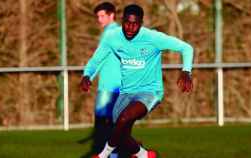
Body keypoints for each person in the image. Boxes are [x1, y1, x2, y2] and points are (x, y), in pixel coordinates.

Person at [81, 4, 194, 158]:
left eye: (135, 24)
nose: (130, 28)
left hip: (149, 92)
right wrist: (87, 75)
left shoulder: (153, 38)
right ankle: (145, 155)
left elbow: (186, 48)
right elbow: (96, 59)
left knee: (124, 119)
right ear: (122, 21)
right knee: (120, 133)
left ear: (141, 23)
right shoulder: (112, 37)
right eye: (127, 23)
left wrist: (186, 71)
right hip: (126, 92)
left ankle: (103, 155)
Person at [80, 2, 120, 158]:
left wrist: (88, 75)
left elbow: (98, 59)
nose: (99, 19)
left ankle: (115, 154)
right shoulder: (115, 32)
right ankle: (121, 153)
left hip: (110, 87)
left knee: (104, 124)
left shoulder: (112, 33)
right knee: (111, 124)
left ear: (112, 15)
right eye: (98, 16)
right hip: (114, 86)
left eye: (103, 16)